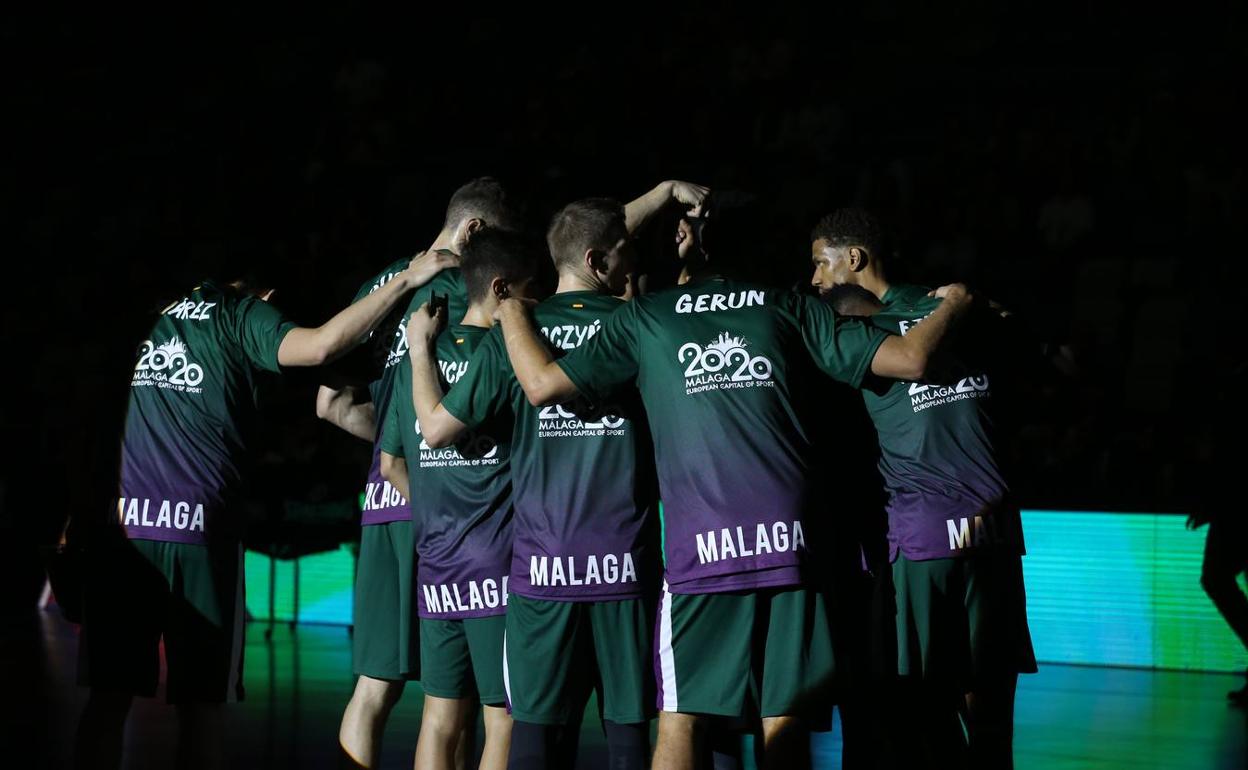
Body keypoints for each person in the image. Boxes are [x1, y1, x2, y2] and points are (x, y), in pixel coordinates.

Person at [490, 197, 977, 770]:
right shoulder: (790, 307)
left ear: (695, 246)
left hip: (704, 550)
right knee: (785, 719)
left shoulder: (648, 316)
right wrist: (956, 304)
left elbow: (542, 385)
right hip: (793, 546)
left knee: (682, 718)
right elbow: (911, 358)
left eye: (684, 232)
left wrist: (513, 310)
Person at [73, 250, 451, 770]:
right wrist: (408, 278)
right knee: (200, 709)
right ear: (268, 298)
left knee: (107, 701)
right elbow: (320, 345)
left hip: (125, 535)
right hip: (198, 539)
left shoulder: (151, 315)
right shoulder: (239, 313)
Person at [405, 182, 707, 770]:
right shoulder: (642, 325)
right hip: (625, 568)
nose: (634, 258)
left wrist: (420, 350)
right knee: (627, 742)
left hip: (542, 573)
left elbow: (437, 430)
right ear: (598, 262)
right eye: (624, 249)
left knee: (538, 743)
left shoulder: (512, 334)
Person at [812, 208, 1038, 769]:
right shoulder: (955, 307)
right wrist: (965, 303)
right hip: (992, 535)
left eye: (820, 264)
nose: (814, 279)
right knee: (985, 716)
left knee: (926, 713)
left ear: (854, 260)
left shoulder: (855, 330)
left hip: (926, 543)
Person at [317, 177, 520, 768]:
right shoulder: (472, 287)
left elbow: (328, 404)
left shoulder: (381, 285)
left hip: (386, 502)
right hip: (458, 513)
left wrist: (394, 435)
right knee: (462, 703)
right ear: (475, 231)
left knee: (377, 687)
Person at [380, 227, 542, 770]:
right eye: (527, 289)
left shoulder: (411, 361)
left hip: (437, 562)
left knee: (439, 717)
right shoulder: (506, 352)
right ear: (500, 289)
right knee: (503, 717)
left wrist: (434, 503)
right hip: (495, 563)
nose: (533, 302)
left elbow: (390, 464)